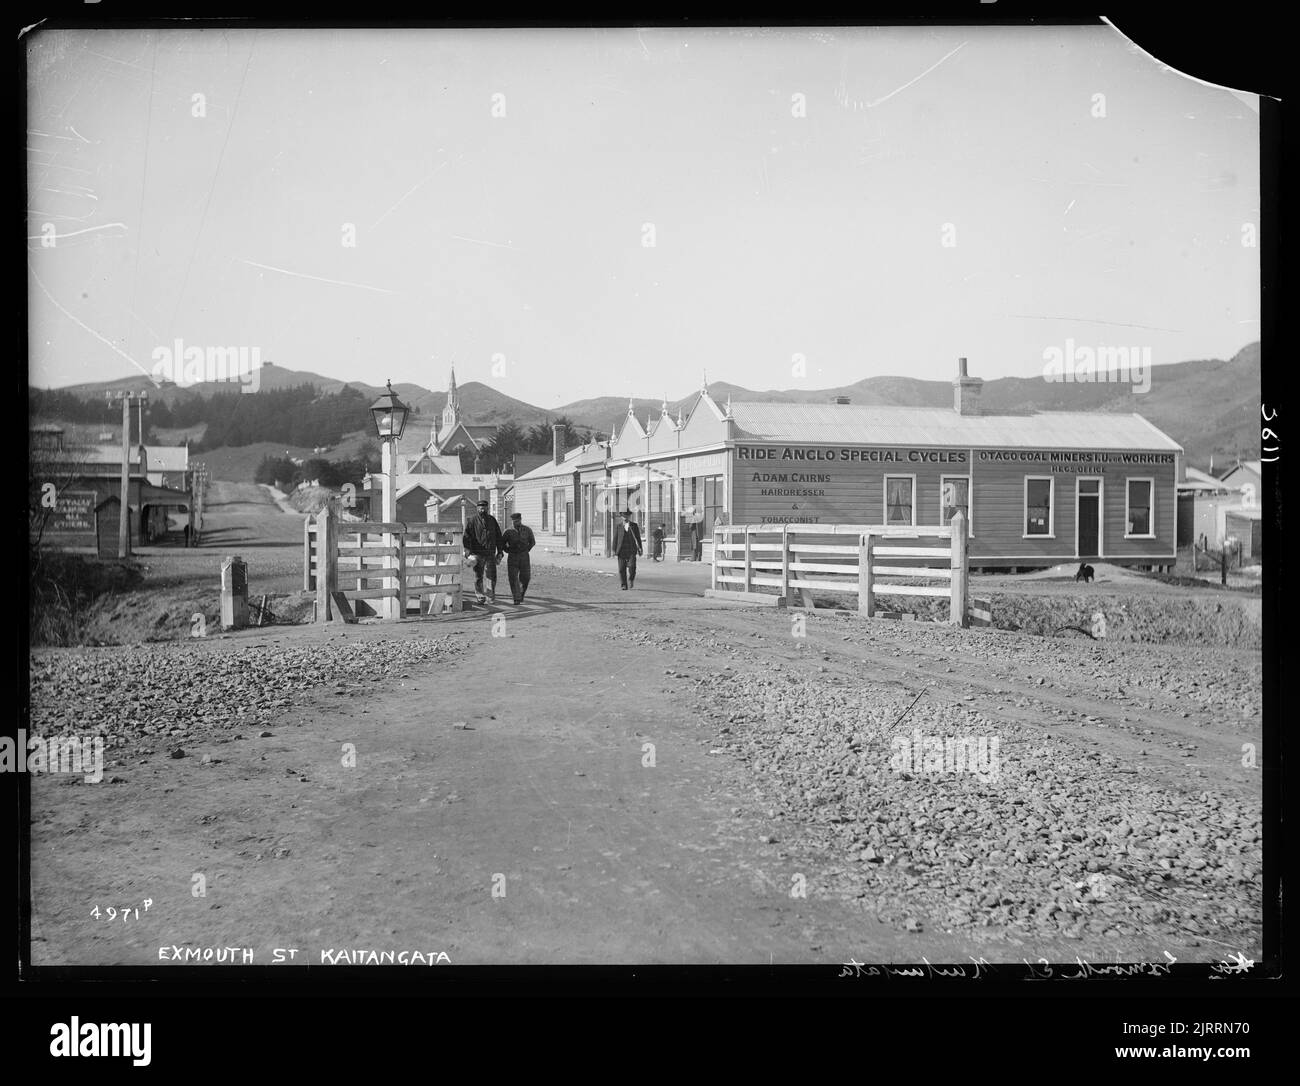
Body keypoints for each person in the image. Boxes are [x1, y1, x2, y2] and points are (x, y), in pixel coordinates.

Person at [463, 499, 503, 603]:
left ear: (487, 508)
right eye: (480, 507)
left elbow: (499, 536)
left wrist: (500, 552)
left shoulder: (492, 520)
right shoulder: (472, 521)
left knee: (491, 576)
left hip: (490, 553)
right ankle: (480, 595)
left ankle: (490, 596)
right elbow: (466, 537)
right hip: (477, 553)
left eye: (484, 507)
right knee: (478, 576)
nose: (482, 509)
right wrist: (468, 553)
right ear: (477, 508)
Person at [501, 511, 536, 605]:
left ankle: (520, 594)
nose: (514, 523)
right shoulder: (508, 531)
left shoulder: (527, 530)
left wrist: (526, 550)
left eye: (516, 521)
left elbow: (532, 542)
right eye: (513, 521)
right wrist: (507, 550)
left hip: (524, 556)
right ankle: (516, 598)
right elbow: (502, 543)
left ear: (520, 520)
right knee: (513, 577)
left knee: (525, 578)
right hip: (513, 556)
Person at [611, 509, 642, 590]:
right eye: (624, 516)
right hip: (621, 551)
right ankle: (624, 585)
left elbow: (638, 538)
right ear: (621, 516)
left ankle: (631, 579)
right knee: (621, 569)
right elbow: (615, 538)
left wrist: (640, 548)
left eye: (627, 516)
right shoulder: (618, 526)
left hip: (631, 550)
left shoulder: (634, 526)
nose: (625, 517)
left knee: (632, 567)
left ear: (629, 516)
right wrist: (614, 549)